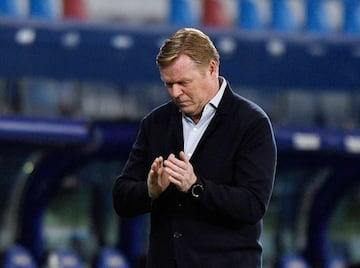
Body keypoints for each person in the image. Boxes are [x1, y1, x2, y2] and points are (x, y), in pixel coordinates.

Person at [112, 27, 277, 268]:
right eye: (168, 84)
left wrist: (196, 186)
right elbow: (121, 197)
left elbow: (252, 205)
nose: (175, 93)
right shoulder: (156, 123)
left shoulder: (251, 123)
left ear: (211, 68)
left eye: (183, 82)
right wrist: (150, 191)